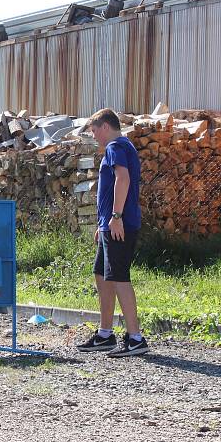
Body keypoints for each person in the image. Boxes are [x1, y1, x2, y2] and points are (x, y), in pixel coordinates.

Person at [77, 108, 148, 357]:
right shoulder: (122, 146)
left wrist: (116, 217)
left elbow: (123, 180)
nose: (94, 136)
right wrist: (103, 223)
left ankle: (136, 339)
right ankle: (105, 334)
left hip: (120, 224)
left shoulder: (116, 147)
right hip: (109, 225)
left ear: (105, 127)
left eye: (95, 131)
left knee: (119, 277)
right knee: (102, 274)